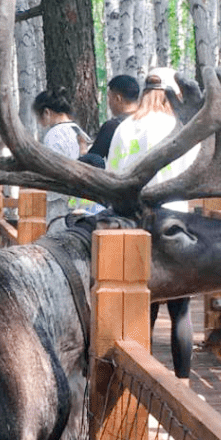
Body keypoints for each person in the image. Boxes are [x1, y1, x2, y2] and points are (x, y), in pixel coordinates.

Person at [108, 68, 198, 380]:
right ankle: (183, 382)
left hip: (135, 223)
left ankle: (139, 381)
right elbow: (194, 175)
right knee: (180, 311)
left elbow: (112, 174)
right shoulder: (180, 128)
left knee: (141, 308)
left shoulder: (125, 128)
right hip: (176, 224)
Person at [32, 87, 91, 226]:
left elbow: (51, 172)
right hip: (85, 203)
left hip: (61, 204)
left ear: (46, 112)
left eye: (38, 116)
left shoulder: (53, 136)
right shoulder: (80, 132)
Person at [88, 74, 141, 160]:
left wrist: (82, 148)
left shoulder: (112, 127)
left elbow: (91, 160)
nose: (109, 104)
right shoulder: (151, 122)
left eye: (109, 98)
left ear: (118, 99)